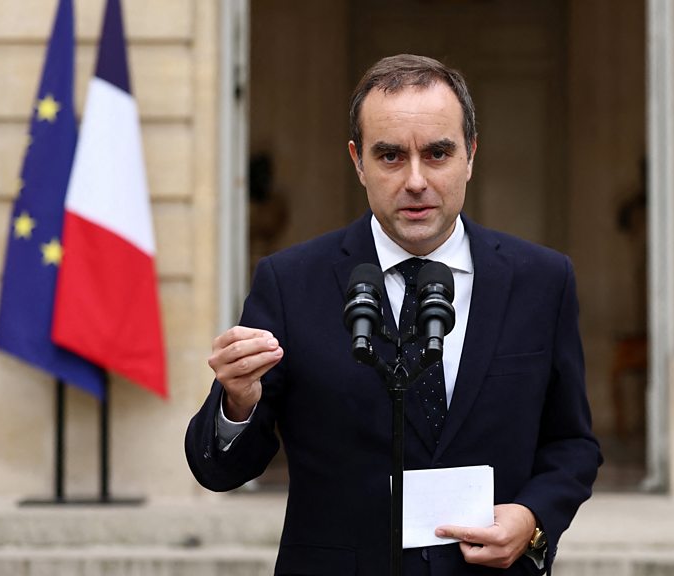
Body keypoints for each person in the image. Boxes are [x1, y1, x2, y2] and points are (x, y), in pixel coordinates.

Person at [186, 54, 601, 576]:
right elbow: (219, 470)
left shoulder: (542, 280)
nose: (416, 180)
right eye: (390, 156)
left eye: (438, 153)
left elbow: (572, 443)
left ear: (470, 155)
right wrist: (237, 403)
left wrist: (533, 519)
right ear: (358, 162)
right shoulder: (290, 283)